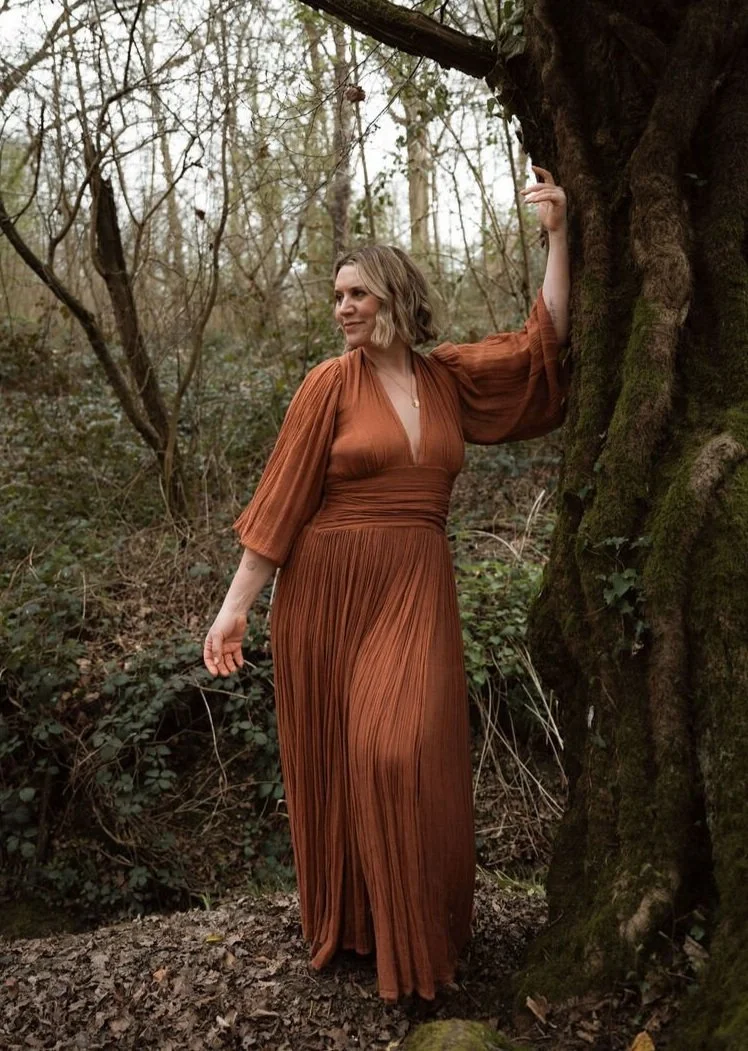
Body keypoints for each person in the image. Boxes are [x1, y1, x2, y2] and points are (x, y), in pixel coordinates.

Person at [204, 167, 569, 1002]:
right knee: (349, 756)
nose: (343, 308)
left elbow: (539, 347)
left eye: (358, 293)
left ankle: (417, 937)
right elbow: (278, 509)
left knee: (398, 749)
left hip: (415, 589)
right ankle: (365, 930)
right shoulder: (327, 387)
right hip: (327, 592)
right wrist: (232, 614)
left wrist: (558, 234)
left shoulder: (446, 379)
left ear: (397, 298)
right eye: (337, 295)